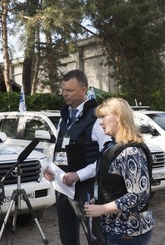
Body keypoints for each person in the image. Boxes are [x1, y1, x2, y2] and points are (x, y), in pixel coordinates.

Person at [43, 69, 110, 245]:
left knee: (94, 237)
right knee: (67, 237)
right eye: (63, 90)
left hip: (87, 188)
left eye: (70, 90)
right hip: (63, 187)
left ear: (83, 90)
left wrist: (78, 175)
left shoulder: (97, 117)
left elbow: (107, 159)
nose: (65, 94)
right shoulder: (64, 116)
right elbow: (59, 149)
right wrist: (49, 168)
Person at [84, 98, 154, 245]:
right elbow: (114, 185)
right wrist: (98, 200)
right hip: (115, 230)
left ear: (118, 116)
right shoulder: (113, 146)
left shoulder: (130, 152)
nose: (100, 122)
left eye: (103, 117)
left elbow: (139, 195)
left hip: (129, 232)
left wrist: (102, 208)